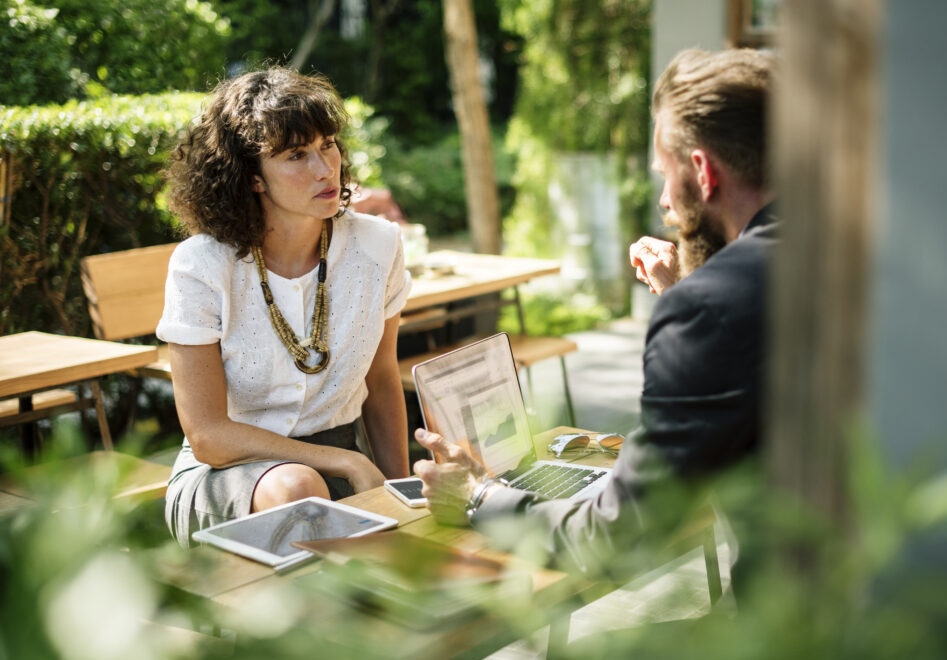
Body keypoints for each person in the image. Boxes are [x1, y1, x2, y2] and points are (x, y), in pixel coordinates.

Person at [412, 48, 778, 570]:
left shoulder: (707, 309)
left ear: (702, 171)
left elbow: (618, 535)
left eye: (664, 176)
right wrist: (686, 293)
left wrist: (477, 497)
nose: (665, 204)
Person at [157, 67, 411, 547]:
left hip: (346, 464)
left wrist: (400, 494)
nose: (325, 168)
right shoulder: (202, 264)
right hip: (231, 476)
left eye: (328, 144)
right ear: (252, 177)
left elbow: (381, 380)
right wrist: (347, 461)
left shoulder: (378, 246)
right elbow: (209, 435)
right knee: (299, 489)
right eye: (296, 155)